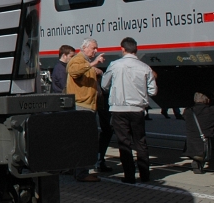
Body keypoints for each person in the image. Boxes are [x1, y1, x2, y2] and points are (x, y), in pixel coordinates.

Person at [101, 37, 157, 183]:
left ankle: (129, 176)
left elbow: (104, 85)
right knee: (140, 142)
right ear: (136, 50)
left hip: (118, 108)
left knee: (124, 142)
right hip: (137, 108)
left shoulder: (114, 65)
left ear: (122, 49)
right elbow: (153, 91)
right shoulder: (145, 67)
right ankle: (145, 175)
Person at [67, 38, 105, 182]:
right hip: (82, 106)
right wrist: (93, 65)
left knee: (83, 140)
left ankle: (78, 170)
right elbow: (74, 71)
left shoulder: (83, 61)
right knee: (85, 140)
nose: (96, 51)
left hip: (88, 105)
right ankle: (82, 173)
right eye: (94, 48)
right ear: (84, 48)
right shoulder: (78, 60)